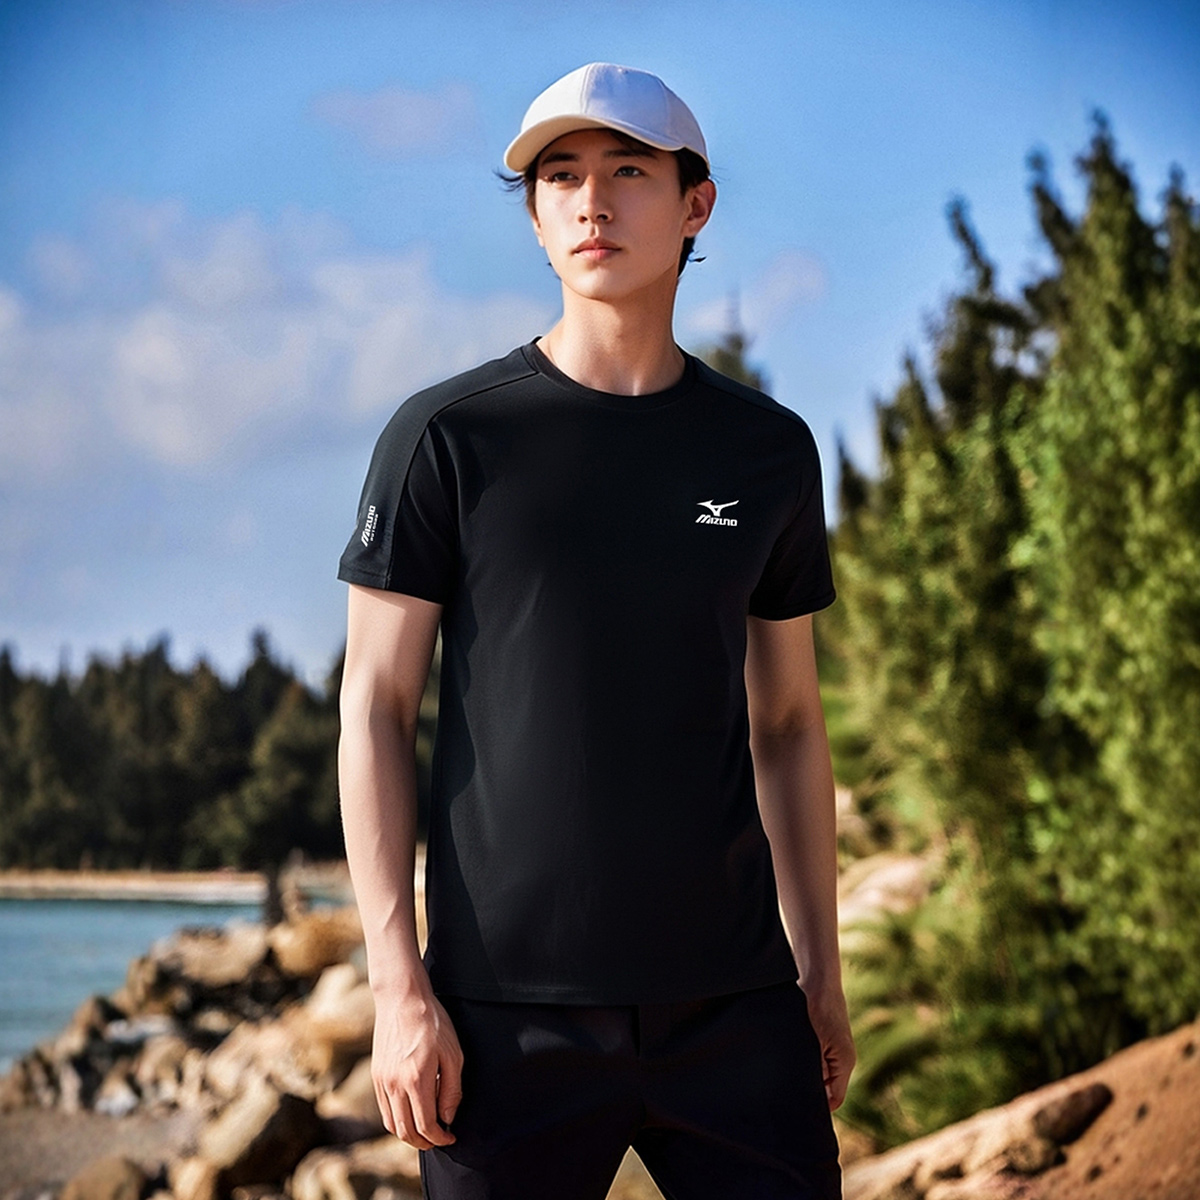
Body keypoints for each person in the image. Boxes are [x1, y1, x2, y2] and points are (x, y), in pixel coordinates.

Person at [337, 62, 855, 1200]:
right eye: (560, 178)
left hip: (735, 1009)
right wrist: (397, 988)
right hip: (501, 1022)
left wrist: (818, 970)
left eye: (627, 172)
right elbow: (374, 707)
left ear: (696, 205)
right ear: (534, 218)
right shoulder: (447, 438)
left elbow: (787, 723)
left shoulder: (767, 450)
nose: (591, 203)